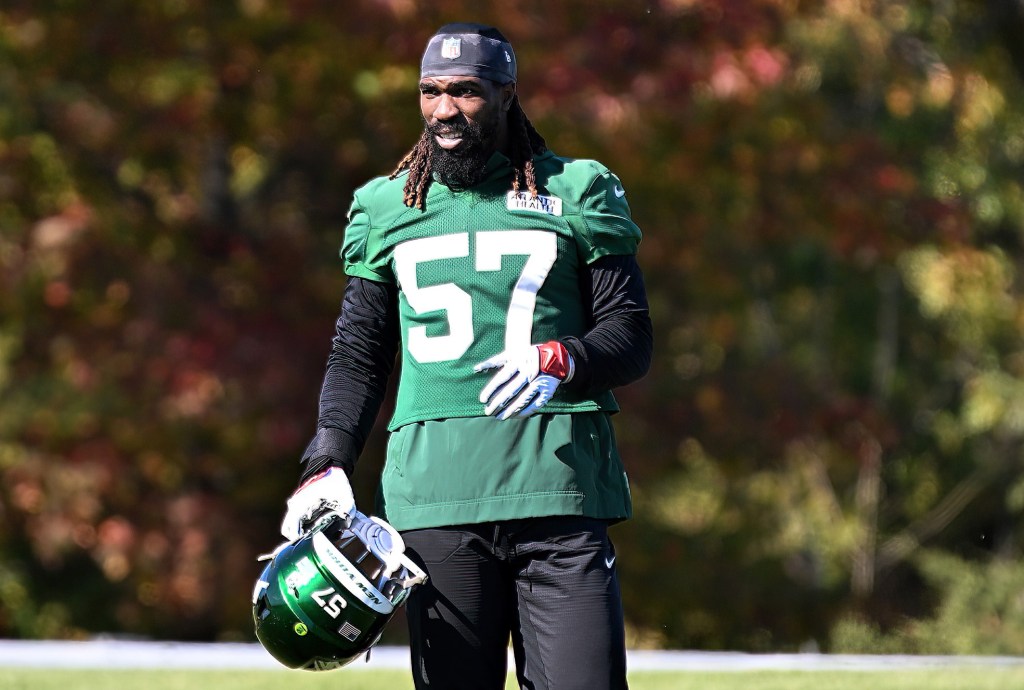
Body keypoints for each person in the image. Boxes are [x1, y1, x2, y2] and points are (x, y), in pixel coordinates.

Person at [280, 22, 653, 690]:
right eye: (431, 91)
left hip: (557, 493)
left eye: (465, 92)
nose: (443, 109)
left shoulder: (578, 190)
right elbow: (359, 352)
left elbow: (629, 334)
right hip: (435, 506)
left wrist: (560, 358)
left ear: (507, 94)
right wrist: (328, 459)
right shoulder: (388, 204)